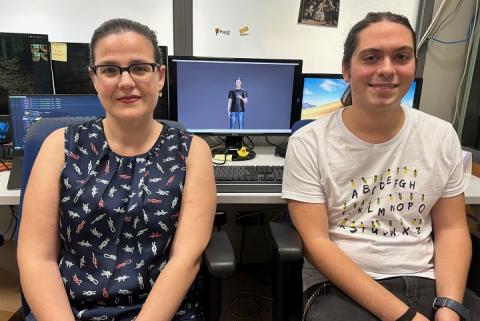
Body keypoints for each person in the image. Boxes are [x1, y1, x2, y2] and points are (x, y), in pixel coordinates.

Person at [282, 12, 480, 321]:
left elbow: (452, 228)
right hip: (342, 286)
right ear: (346, 70)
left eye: (401, 57)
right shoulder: (310, 142)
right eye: (371, 57)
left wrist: (449, 308)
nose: (387, 69)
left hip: (428, 280)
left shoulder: (441, 136)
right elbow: (316, 242)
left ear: (413, 66)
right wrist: (405, 317)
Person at [17, 18, 216, 321]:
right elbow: (36, 259)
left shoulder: (192, 152)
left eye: (139, 67)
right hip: (67, 310)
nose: (126, 82)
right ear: (94, 79)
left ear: (160, 76)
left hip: (161, 312)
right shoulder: (59, 146)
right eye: (110, 69)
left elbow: (184, 261)